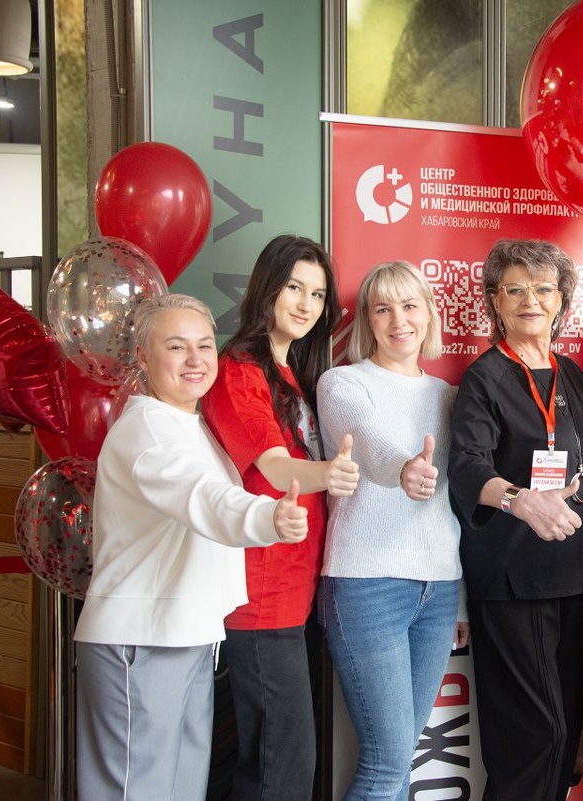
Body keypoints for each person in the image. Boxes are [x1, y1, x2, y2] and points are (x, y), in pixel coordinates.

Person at [75, 294, 309, 801]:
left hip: (187, 633)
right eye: (177, 347)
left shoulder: (191, 424)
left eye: (204, 345)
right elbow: (202, 497)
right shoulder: (148, 431)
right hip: (140, 639)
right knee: (136, 791)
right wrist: (267, 516)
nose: (196, 360)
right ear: (143, 357)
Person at [447, 238, 583, 801]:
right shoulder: (487, 377)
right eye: (514, 289)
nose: (530, 301)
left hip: (580, 576)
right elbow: (467, 466)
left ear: (562, 298)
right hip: (517, 581)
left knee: (565, 742)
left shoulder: (572, 374)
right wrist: (520, 500)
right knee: (536, 738)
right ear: (495, 300)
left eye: (543, 289)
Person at [201, 234, 359, 801]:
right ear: (266, 288)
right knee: (283, 764)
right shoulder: (239, 370)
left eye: (317, 295)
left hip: (296, 588)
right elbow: (270, 466)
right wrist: (330, 474)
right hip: (261, 590)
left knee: (280, 758)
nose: (305, 304)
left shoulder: (291, 372)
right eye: (294, 287)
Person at [316, 261, 468, 800]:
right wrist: (404, 468)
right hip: (367, 584)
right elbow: (369, 442)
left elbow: (453, 504)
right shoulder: (342, 383)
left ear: (428, 314)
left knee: (400, 758)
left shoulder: (449, 396)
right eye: (383, 309)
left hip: (439, 589)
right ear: (368, 320)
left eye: (409, 306)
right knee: (385, 762)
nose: (398, 320)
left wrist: (461, 602)